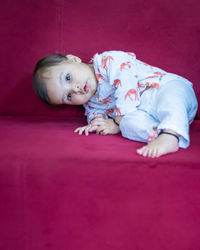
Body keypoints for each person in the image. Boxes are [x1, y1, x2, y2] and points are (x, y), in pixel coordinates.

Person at [33, 51, 198, 158]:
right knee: (128, 124)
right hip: (150, 115)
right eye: (68, 96)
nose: (75, 89)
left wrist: (115, 122)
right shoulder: (91, 103)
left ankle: (171, 133)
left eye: (68, 78)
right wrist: (95, 125)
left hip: (163, 88)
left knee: (171, 96)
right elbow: (97, 117)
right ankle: (157, 133)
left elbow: (127, 88)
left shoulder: (108, 61)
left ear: (74, 59)